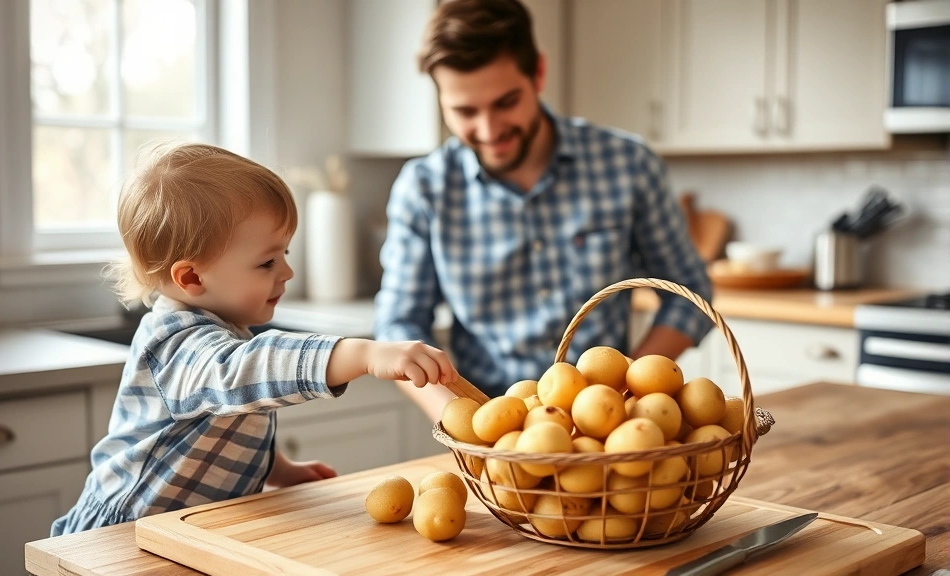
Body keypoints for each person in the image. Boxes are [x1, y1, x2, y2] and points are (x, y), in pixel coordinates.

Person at [52, 143, 457, 536]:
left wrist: (277, 469)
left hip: (180, 530)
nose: (286, 272)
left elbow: (225, 421)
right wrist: (362, 352)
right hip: (121, 531)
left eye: (284, 254)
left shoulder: (225, 329)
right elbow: (241, 372)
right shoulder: (175, 344)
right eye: (267, 261)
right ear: (191, 278)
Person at [374, 0, 713, 423]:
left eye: (506, 102)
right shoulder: (423, 188)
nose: (488, 130)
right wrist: (466, 425)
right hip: (492, 432)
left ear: (538, 74)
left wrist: (632, 390)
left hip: (606, 428)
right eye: (463, 111)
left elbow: (690, 293)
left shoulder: (627, 164)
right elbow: (398, 328)